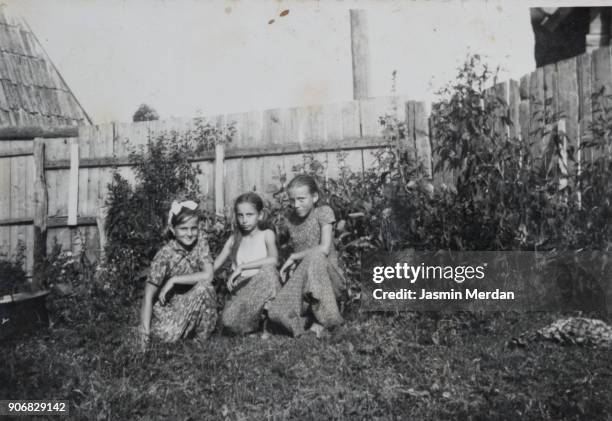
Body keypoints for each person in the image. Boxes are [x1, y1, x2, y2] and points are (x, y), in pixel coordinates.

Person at [267, 175, 346, 337]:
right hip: (305, 283)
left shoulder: (323, 212)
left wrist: (295, 257)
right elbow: (285, 248)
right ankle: (307, 327)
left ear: (315, 197)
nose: (296, 205)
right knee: (274, 312)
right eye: (292, 200)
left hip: (330, 282)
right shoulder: (290, 220)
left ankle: (333, 323)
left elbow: (323, 248)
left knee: (315, 257)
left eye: (302, 199)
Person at [139, 200, 217, 350]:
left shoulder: (201, 244)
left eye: (193, 228)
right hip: (168, 312)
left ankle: (201, 342)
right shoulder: (165, 255)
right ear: (173, 229)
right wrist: (144, 336)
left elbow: (209, 275)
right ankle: (167, 335)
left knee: (205, 287)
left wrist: (175, 280)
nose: (189, 234)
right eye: (183, 229)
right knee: (167, 338)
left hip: (190, 303)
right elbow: (148, 296)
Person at [214, 192, 281, 337]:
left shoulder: (266, 234)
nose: (244, 220)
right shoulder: (234, 239)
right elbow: (214, 267)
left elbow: (274, 260)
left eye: (249, 215)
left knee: (269, 271)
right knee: (227, 322)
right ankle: (255, 325)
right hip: (243, 291)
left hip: (264, 285)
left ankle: (267, 323)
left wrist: (242, 266)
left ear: (260, 215)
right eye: (240, 215)